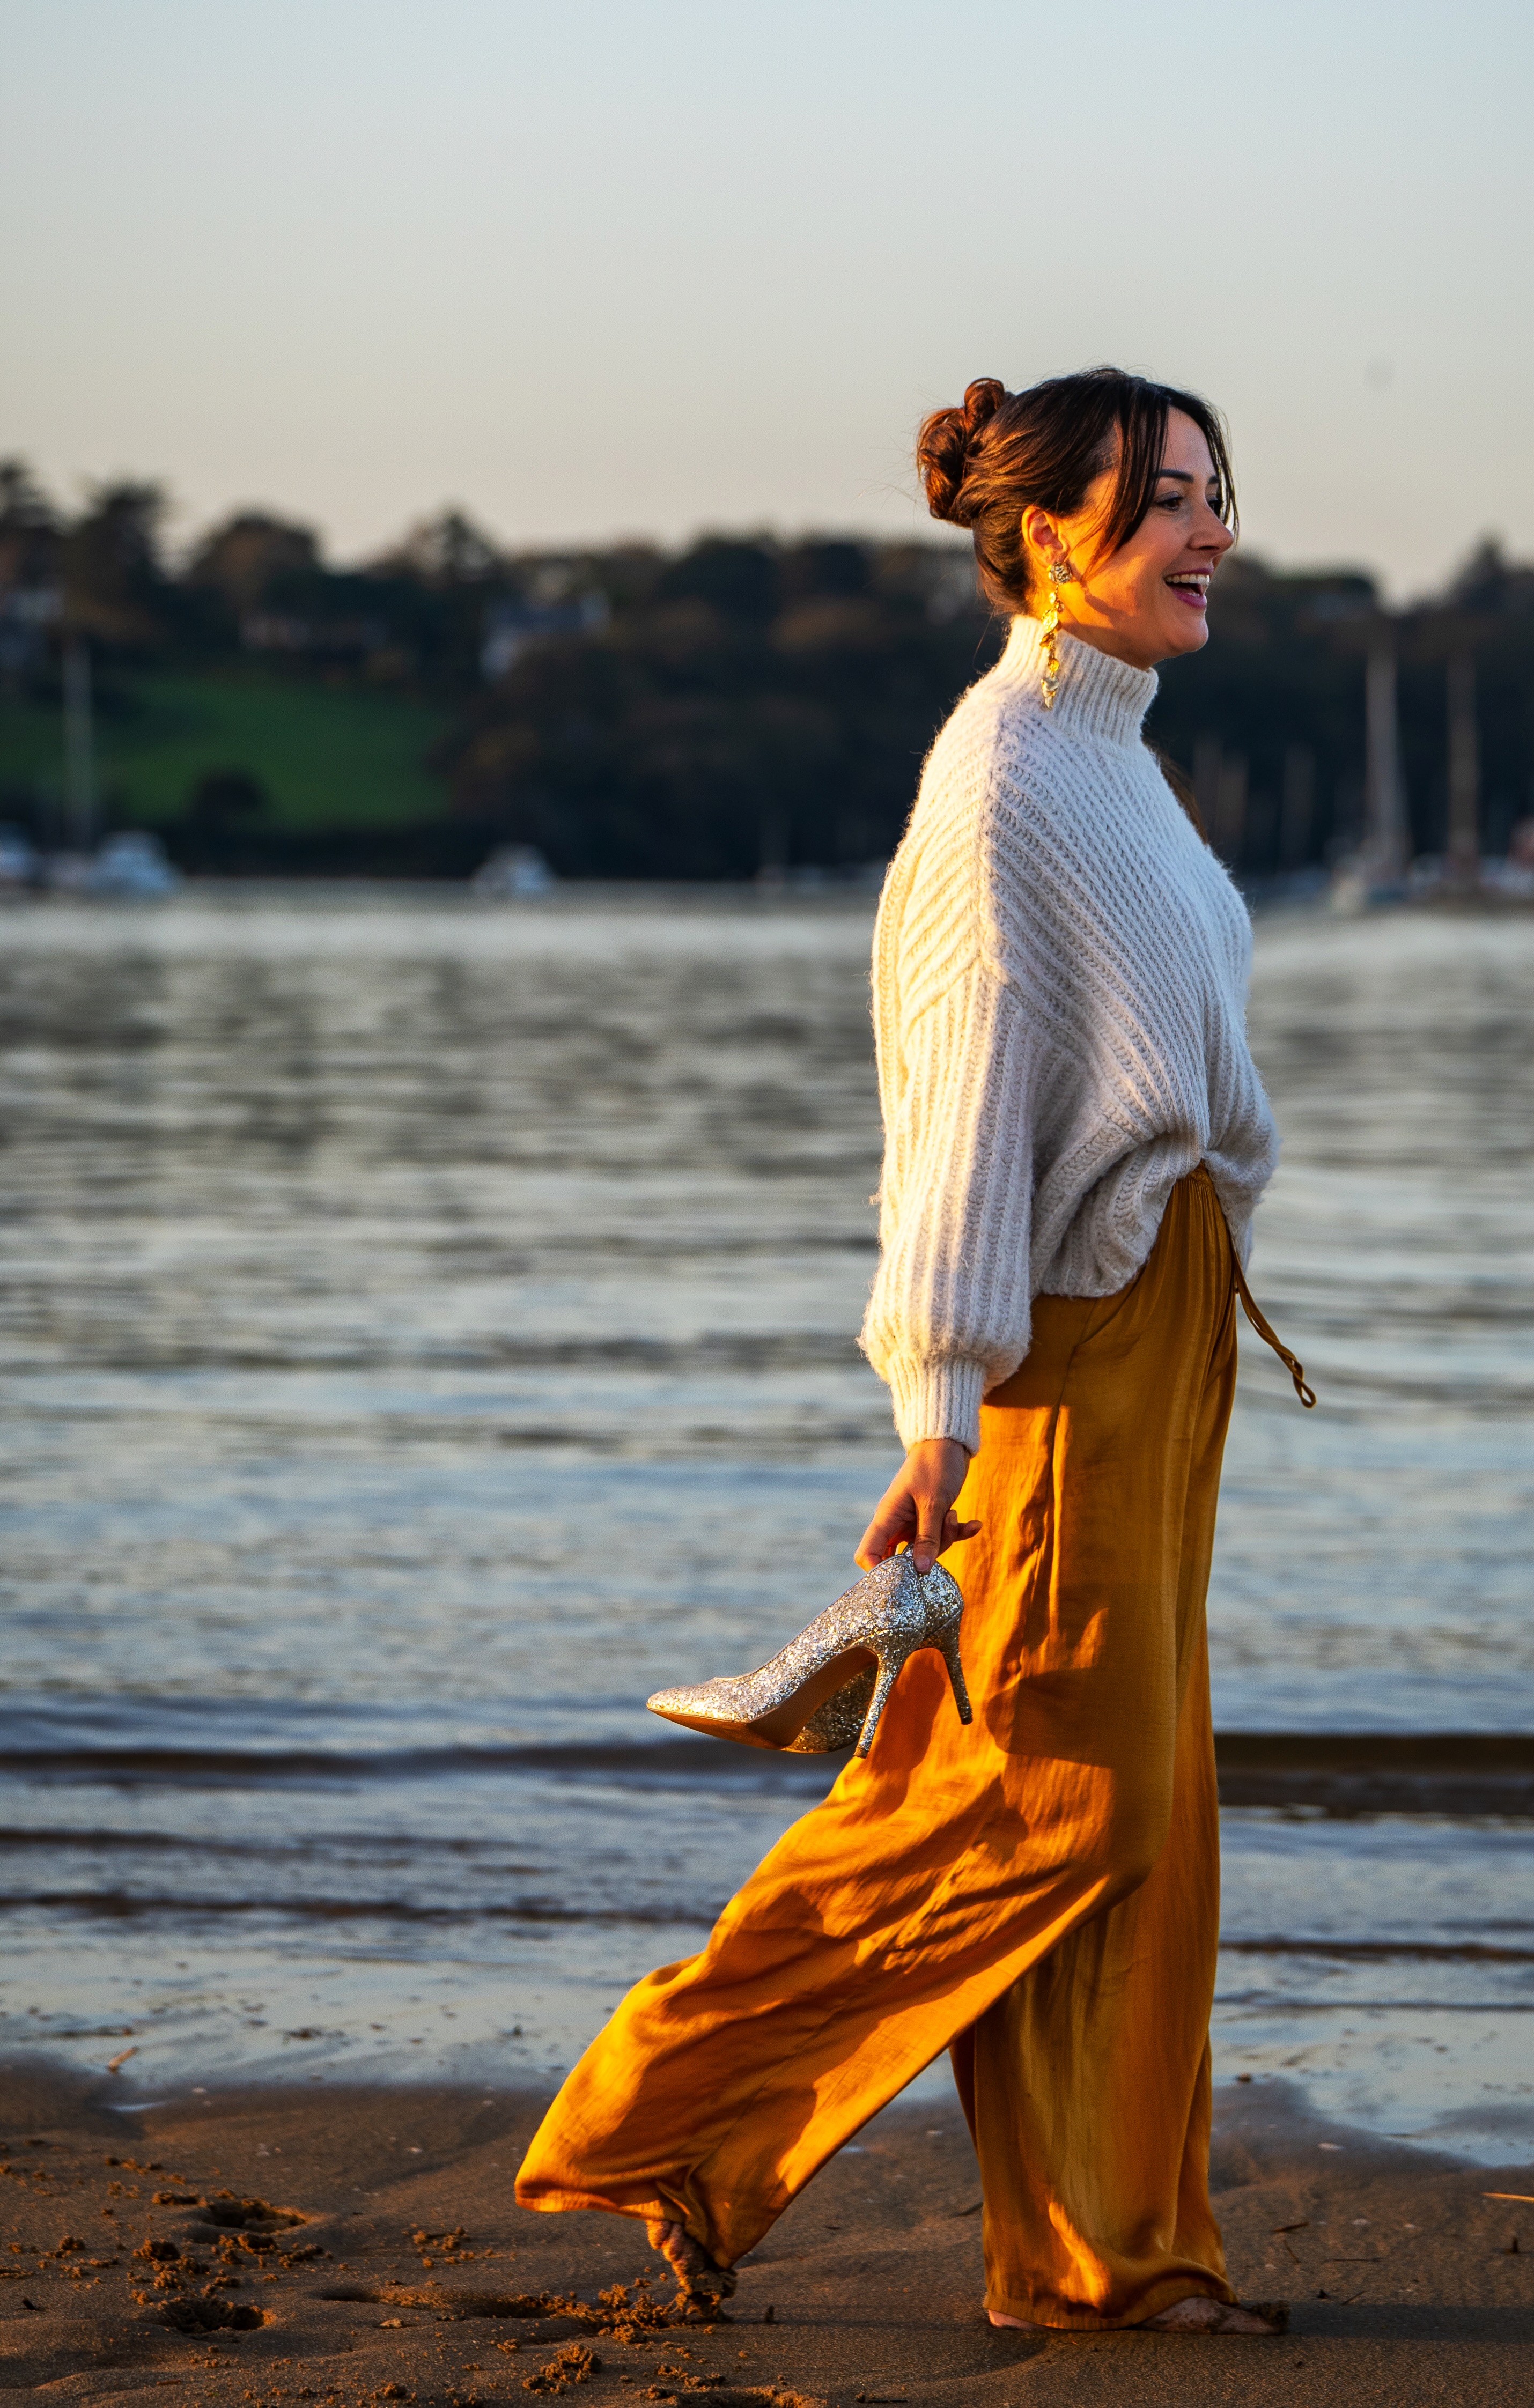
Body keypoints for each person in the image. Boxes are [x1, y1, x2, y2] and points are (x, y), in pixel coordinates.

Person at [515, 368, 1287, 2335]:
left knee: (1143, 1820)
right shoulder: (1004, 775)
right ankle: (663, 2116)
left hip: (1166, 1339)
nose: (1214, 532)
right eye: (1171, 501)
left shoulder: (1118, 756)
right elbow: (955, 1092)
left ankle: (1105, 2257)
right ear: (1046, 536)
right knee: (1043, 1792)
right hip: (1075, 1348)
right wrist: (937, 1398)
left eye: (1218, 492)